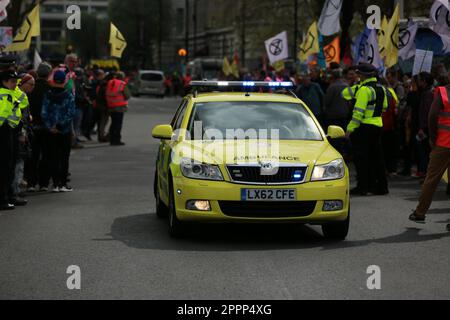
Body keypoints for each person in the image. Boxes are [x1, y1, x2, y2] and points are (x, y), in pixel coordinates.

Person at [409, 70, 450, 232]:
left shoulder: (442, 91)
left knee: (431, 179)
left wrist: (433, 137)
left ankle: (420, 212)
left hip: (444, 144)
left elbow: (432, 116)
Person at [346, 63, 389, 196]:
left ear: (363, 75)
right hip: (377, 126)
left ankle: (363, 187)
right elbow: (385, 106)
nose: (358, 76)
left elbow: (358, 112)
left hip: (363, 127)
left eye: (358, 74)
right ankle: (382, 187)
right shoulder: (381, 88)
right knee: (377, 158)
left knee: (361, 159)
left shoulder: (364, 90)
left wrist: (350, 129)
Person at [41, 69, 76, 193]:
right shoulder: (68, 95)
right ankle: (62, 184)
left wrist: (50, 126)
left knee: (53, 157)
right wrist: (60, 126)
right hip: (64, 131)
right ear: (64, 81)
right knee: (64, 157)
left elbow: (44, 113)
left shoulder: (48, 94)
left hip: (50, 131)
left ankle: (55, 184)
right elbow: (71, 113)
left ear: (54, 80)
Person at [25, 62, 52, 192]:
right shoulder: (50, 88)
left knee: (33, 155)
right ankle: (44, 183)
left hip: (33, 126)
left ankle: (31, 182)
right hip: (46, 127)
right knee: (46, 155)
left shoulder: (31, 88)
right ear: (49, 74)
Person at [0, 69, 21, 210]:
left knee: (8, 167)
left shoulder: (10, 94)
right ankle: (3, 199)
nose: (15, 84)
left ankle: (6, 196)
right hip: (3, 133)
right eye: (13, 81)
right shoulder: (4, 95)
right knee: (4, 167)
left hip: (9, 133)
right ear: (4, 81)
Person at [415, 72, 435, 178]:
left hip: (426, 128)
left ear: (424, 81)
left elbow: (426, 112)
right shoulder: (426, 92)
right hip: (427, 127)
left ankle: (427, 174)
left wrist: (422, 128)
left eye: (419, 80)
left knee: (425, 151)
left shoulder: (427, 94)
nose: (418, 82)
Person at [106, 71, 130, 146]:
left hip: (110, 106)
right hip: (119, 107)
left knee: (113, 123)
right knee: (118, 124)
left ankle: (111, 139)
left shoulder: (110, 82)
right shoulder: (122, 83)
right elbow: (127, 95)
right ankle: (116, 140)